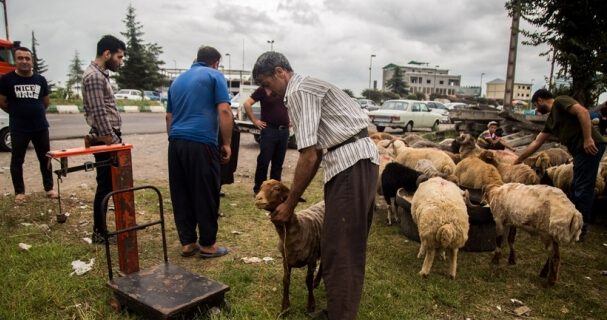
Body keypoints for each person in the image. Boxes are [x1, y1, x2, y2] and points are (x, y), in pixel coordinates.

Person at [252, 51, 379, 319]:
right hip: (356, 160)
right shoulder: (307, 86)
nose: (267, 91)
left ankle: (340, 315)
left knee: (340, 247)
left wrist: (289, 203)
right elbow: (317, 153)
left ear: (280, 72)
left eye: (266, 83)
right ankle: (339, 309)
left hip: (350, 163)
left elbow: (309, 154)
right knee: (345, 242)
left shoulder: (298, 91)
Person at [166, 46, 233, 258]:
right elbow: (224, 110)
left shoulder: (177, 81)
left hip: (176, 143)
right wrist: (227, 143)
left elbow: (168, 117)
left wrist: (174, 139)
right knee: (206, 192)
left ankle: (187, 243)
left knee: (181, 192)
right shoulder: (215, 76)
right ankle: (207, 245)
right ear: (215, 62)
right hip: (202, 142)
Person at [514, 89, 606, 240]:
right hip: (580, 151)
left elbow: (582, 112)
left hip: (590, 147)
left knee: (583, 186)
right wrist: (519, 159)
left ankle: (580, 229)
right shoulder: (551, 121)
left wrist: (588, 138)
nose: (537, 109)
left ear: (540, 100)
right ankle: (575, 223)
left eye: (536, 105)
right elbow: (537, 142)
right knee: (577, 185)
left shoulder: (560, 101)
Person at [81, 35, 126, 244]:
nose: (121, 61)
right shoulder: (94, 77)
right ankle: (99, 233)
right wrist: (113, 140)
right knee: (106, 186)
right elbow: (99, 113)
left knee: (111, 184)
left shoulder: (100, 75)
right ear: (107, 54)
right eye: (119, 56)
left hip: (108, 137)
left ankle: (107, 229)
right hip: (107, 139)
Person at [0, 47, 57, 205]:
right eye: (20, 58)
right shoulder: (7, 80)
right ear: (16, 60)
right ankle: (19, 192)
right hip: (19, 127)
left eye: (27, 58)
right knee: (17, 160)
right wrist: (18, 112)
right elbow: (3, 102)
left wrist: (35, 111)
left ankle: (49, 188)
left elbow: (45, 102)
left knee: (45, 158)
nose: (24, 61)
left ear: (32, 61)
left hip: (40, 126)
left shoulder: (40, 80)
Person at [242, 86, 290, 194]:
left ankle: (275, 191)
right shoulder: (263, 89)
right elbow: (247, 104)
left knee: (278, 163)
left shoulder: (284, 89)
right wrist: (255, 120)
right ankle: (259, 189)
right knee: (264, 161)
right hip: (269, 130)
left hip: (284, 131)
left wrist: (291, 119)